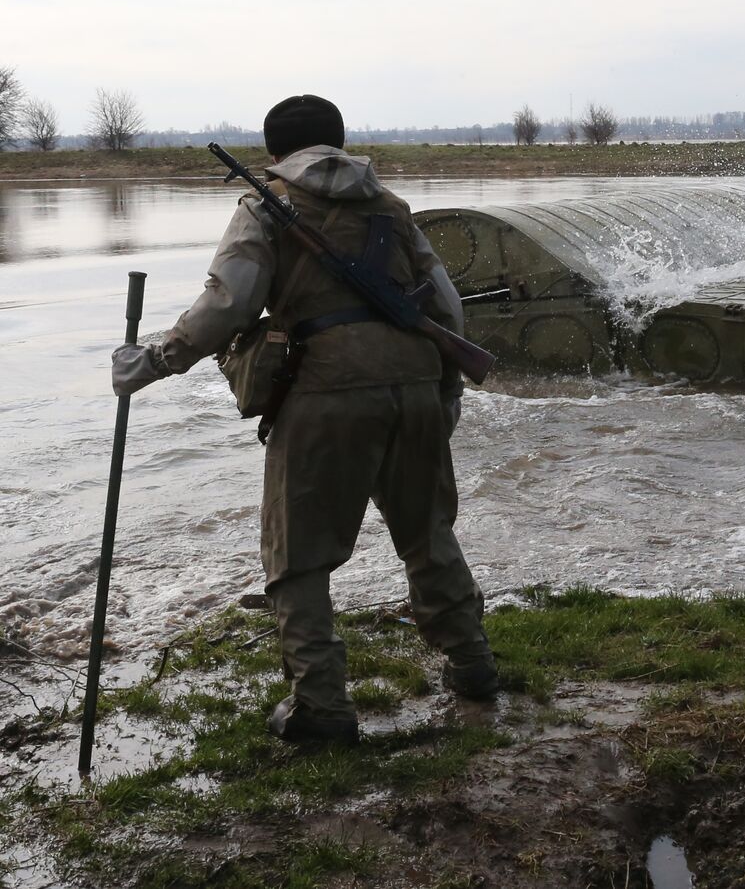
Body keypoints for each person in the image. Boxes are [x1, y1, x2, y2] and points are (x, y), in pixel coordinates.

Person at [112, 95, 499, 745]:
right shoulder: (392, 207)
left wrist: (150, 362)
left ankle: (321, 707)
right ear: (342, 143)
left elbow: (228, 306)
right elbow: (449, 310)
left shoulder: (266, 205)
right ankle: (474, 668)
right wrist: (445, 392)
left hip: (325, 391)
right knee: (429, 535)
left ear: (273, 155)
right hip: (415, 385)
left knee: (296, 558)